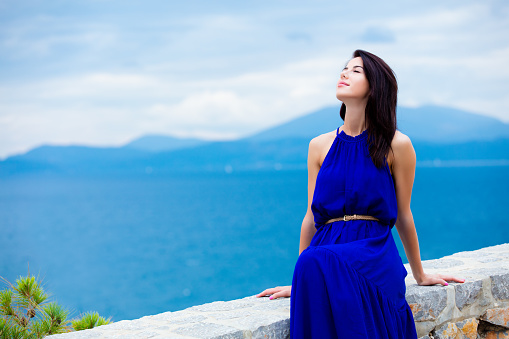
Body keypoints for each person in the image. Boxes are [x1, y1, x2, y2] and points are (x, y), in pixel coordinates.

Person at [256, 49, 466, 338]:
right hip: (323, 252)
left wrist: (419, 273)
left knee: (315, 261)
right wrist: (300, 278)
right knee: (313, 262)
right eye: (344, 68)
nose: (344, 73)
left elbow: (404, 215)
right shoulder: (318, 145)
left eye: (356, 71)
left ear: (374, 86)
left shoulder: (397, 145)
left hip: (373, 251)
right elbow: (310, 217)